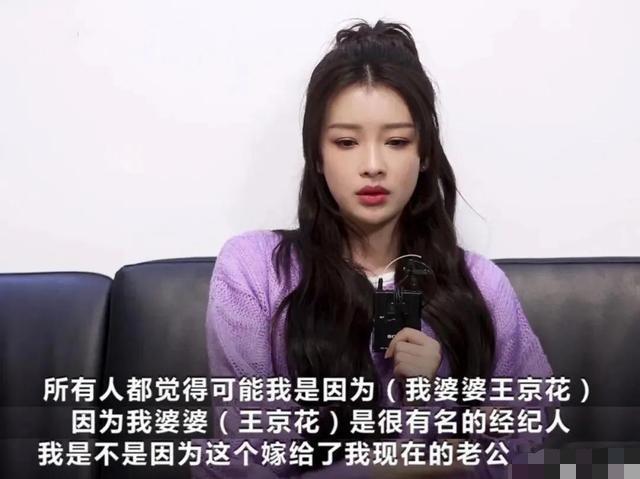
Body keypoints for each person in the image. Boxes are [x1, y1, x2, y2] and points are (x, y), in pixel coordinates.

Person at [192, 19, 554, 479]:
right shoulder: (254, 269)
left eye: (397, 141)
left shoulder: (481, 284)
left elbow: (528, 435)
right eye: (346, 142)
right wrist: (403, 467)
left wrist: (436, 392)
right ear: (317, 155)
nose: (372, 165)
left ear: (424, 154)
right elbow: (247, 455)